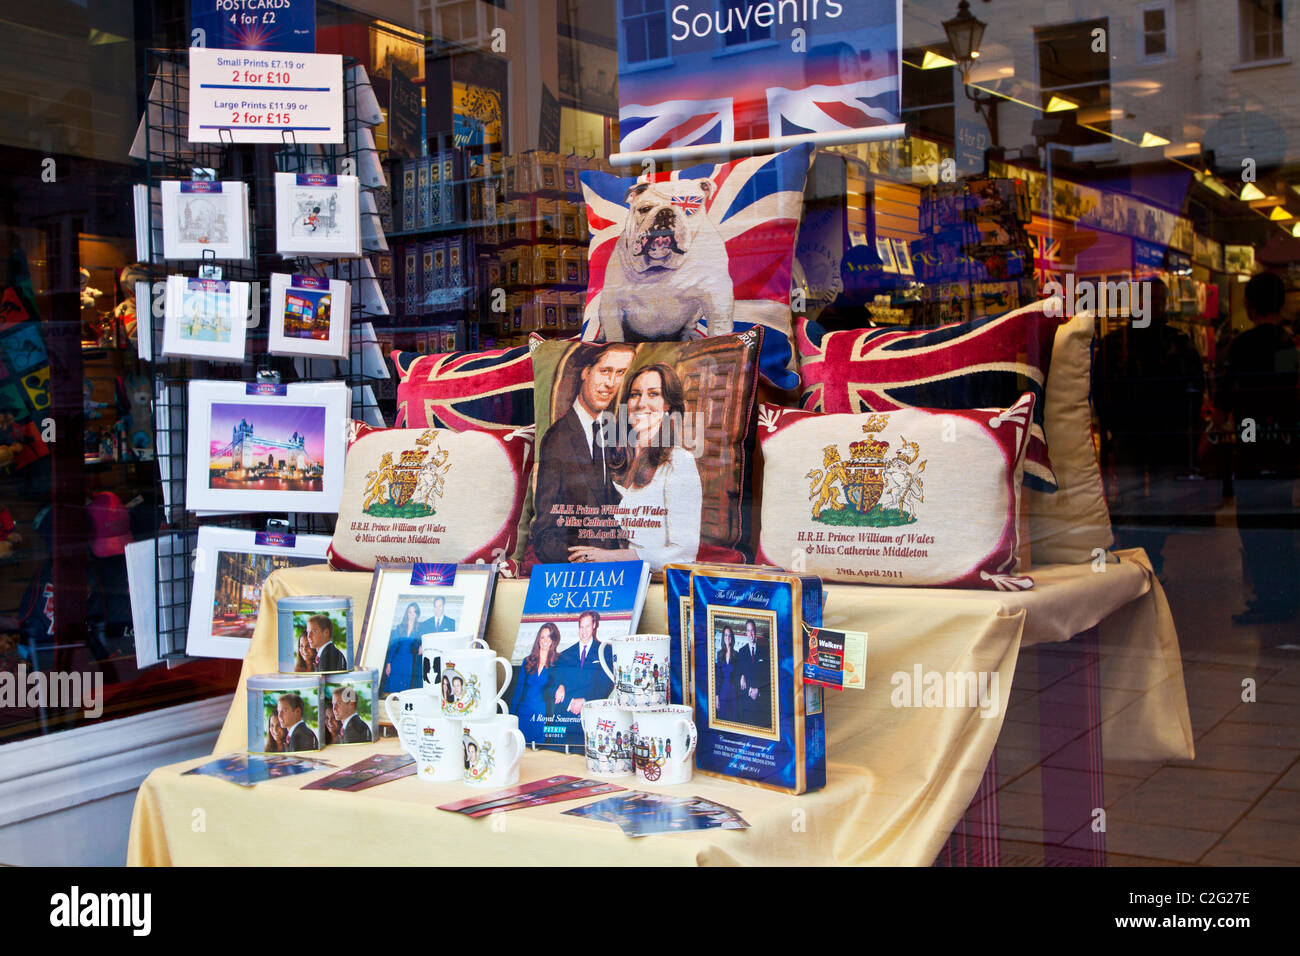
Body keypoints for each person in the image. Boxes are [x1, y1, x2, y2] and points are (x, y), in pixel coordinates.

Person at [1093, 278, 1205, 576]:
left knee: (1159, 500)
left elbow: (1193, 389)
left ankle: (1149, 554)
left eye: (1157, 300)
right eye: (1148, 300)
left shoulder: (1174, 343)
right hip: (1135, 434)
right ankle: (1141, 556)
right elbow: (1100, 393)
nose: (1153, 306)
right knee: (1133, 498)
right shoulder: (1119, 344)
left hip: (1160, 435)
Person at [1219, 272, 1300, 624]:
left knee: (1252, 522)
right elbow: (1286, 395)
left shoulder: (1241, 346)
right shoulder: (1288, 345)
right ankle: (1284, 597)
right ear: (1281, 305)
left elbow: (1226, 398)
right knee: (1280, 520)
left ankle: (1267, 597)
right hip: (1283, 445)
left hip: (1250, 443)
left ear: (1249, 305)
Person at [570, 364, 702, 571]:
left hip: (649, 575)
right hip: (606, 572)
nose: (641, 403)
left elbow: (683, 553)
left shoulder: (679, 462)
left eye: (653, 394)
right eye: (635, 395)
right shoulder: (611, 456)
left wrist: (611, 557)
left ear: (668, 404)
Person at [531, 343, 636, 564]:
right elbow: (544, 535)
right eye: (605, 371)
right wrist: (585, 559)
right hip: (583, 570)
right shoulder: (556, 438)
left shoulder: (618, 431)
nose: (611, 383)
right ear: (586, 371)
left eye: (620, 373)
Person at [546, 610, 613, 717]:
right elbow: (552, 685)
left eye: (587, 626)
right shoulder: (564, 655)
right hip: (566, 714)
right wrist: (569, 700)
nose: (584, 631)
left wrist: (585, 701)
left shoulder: (606, 651)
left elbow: (607, 685)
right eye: (581, 627)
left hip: (592, 713)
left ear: (594, 625)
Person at [512, 622, 562, 738]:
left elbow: (564, 680)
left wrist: (562, 686)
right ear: (538, 639)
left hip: (542, 714)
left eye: (549, 637)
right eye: (542, 637)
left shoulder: (558, 662)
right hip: (523, 712)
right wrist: (511, 717)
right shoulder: (527, 661)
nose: (545, 640)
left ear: (553, 640)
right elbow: (518, 691)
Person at [380, 603, 423, 695]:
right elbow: (393, 647)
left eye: (414, 612)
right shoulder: (399, 627)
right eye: (409, 612)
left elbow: (423, 641)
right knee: (393, 684)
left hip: (409, 661)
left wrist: (423, 645)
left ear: (417, 614)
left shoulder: (420, 628)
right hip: (397, 660)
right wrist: (388, 664)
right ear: (406, 614)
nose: (411, 615)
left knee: (405, 688)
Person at [737, 620, 770, 729]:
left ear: (755, 632)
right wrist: (742, 676)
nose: (751, 634)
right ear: (746, 633)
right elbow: (738, 675)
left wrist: (758, 690)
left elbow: (768, 676)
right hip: (747, 698)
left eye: (753, 631)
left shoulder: (765, 650)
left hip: (761, 699)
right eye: (748, 631)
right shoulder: (741, 652)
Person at [715, 626, 741, 722]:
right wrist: (716, 697)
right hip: (722, 691)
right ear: (723, 637)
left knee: (733, 717)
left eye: (729, 635)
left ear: (732, 638)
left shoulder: (736, 654)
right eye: (725, 635)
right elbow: (718, 677)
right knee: (722, 717)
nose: (727, 637)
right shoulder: (719, 654)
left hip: (733, 691)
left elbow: (739, 673)